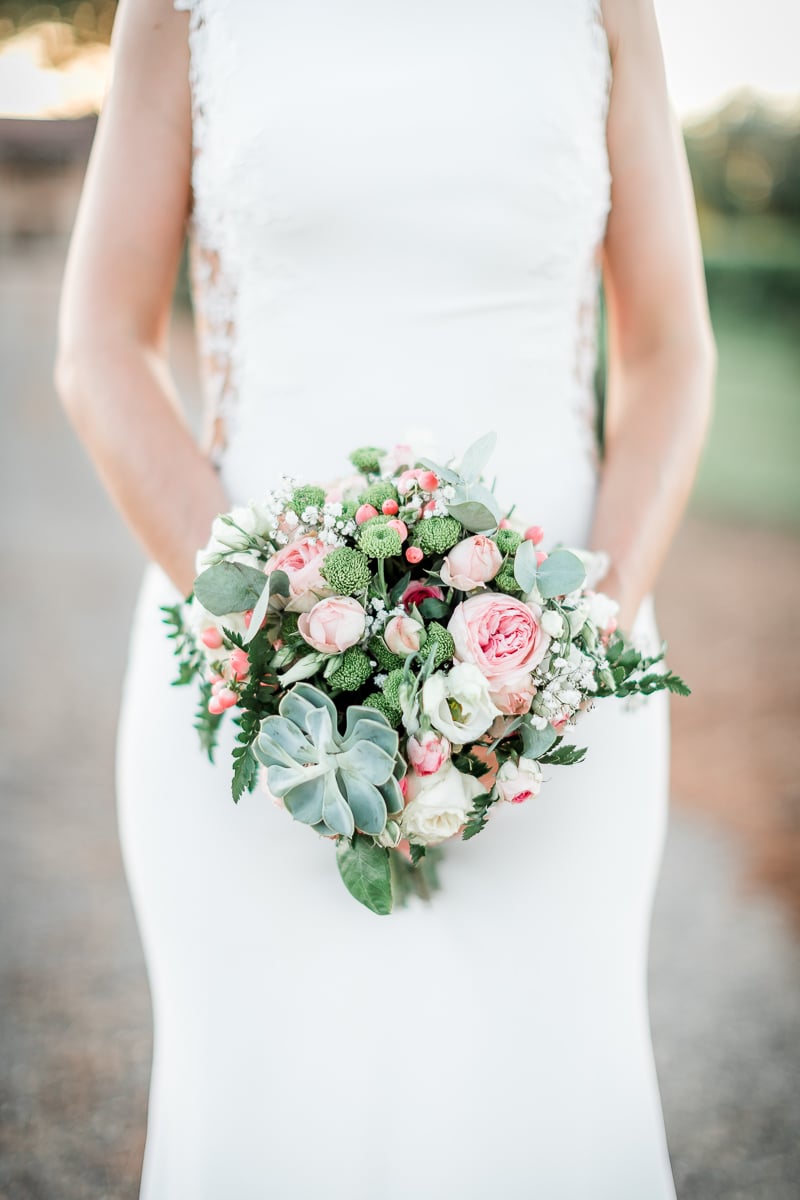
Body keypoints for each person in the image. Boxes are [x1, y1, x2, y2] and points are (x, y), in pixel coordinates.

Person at [55, 1, 715, 1196]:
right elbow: (99, 340)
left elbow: (670, 347)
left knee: (543, 1115)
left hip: (559, 716)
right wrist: (279, 644)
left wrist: (571, 654)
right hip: (255, 708)